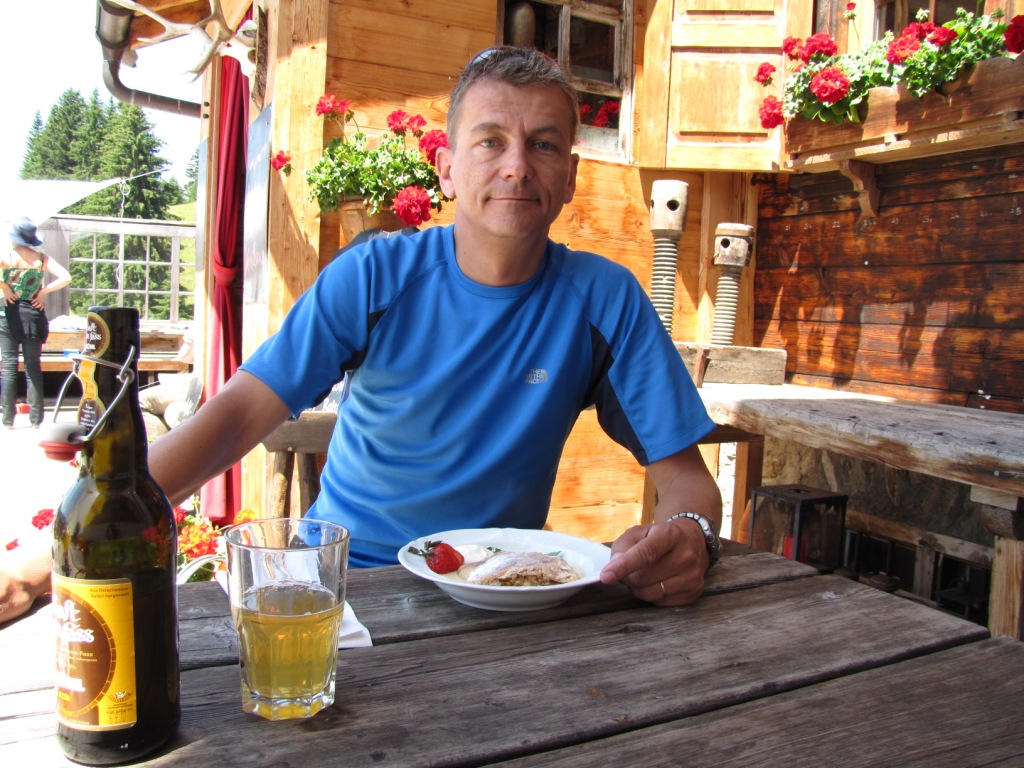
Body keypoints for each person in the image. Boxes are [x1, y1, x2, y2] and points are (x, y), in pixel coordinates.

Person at [0, 46, 721, 623]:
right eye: (490, 141)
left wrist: (691, 535)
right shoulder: (375, 275)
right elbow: (235, 418)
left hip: (497, 597)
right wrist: (44, 559)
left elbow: (687, 480)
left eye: (543, 144)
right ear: (445, 169)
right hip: (342, 587)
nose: (516, 166)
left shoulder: (604, 300)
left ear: (569, 176)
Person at [0, 216, 72, 429]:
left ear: (14, 238)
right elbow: (66, 277)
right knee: (33, 366)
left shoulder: (6, 256)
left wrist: (5, 287)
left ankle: (8, 421)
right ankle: (35, 421)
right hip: (32, 313)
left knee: (9, 366)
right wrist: (43, 292)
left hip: (8, 314)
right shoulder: (41, 259)